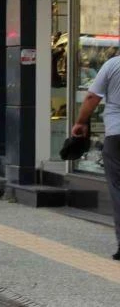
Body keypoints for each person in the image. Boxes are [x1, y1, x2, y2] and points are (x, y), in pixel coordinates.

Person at [72, 55, 120, 261]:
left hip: (117, 136)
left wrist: (81, 122)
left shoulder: (113, 65)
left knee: (118, 188)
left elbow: (92, 97)